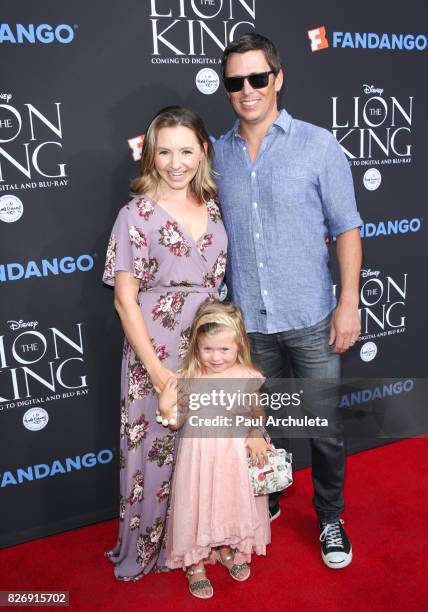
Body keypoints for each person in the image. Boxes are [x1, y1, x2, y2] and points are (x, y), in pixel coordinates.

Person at [213, 33, 363, 569]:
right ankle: (271, 496)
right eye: (235, 82)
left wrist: (349, 302)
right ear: (227, 89)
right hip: (249, 323)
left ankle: (330, 519)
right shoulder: (217, 154)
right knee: (266, 423)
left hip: (311, 317)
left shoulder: (318, 145)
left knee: (324, 428)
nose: (247, 90)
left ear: (277, 78)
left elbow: (346, 229)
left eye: (257, 78)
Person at [102, 106, 228, 580]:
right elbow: (123, 301)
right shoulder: (135, 214)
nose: (176, 163)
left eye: (187, 151)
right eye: (165, 152)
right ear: (150, 155)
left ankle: (198, 544)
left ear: (203, 151)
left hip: (210, 350)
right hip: (154, 353)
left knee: (204, 453)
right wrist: (159, 374)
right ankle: (150, 547)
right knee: (154, 455)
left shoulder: (213, 206)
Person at [158, 300, 272, 599]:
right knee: (197, 504)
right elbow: (176, 422)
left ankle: (225, 548)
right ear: (197, 345)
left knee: (227, 501)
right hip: (199, 459)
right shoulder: (189, 378)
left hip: (233, 458)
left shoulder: (247, 376)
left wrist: (257, 432)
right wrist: (165, 407)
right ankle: (194, 562)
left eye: (224, 349)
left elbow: (256, 412)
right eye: (208, 349)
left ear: (240, 345)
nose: (216, 357)